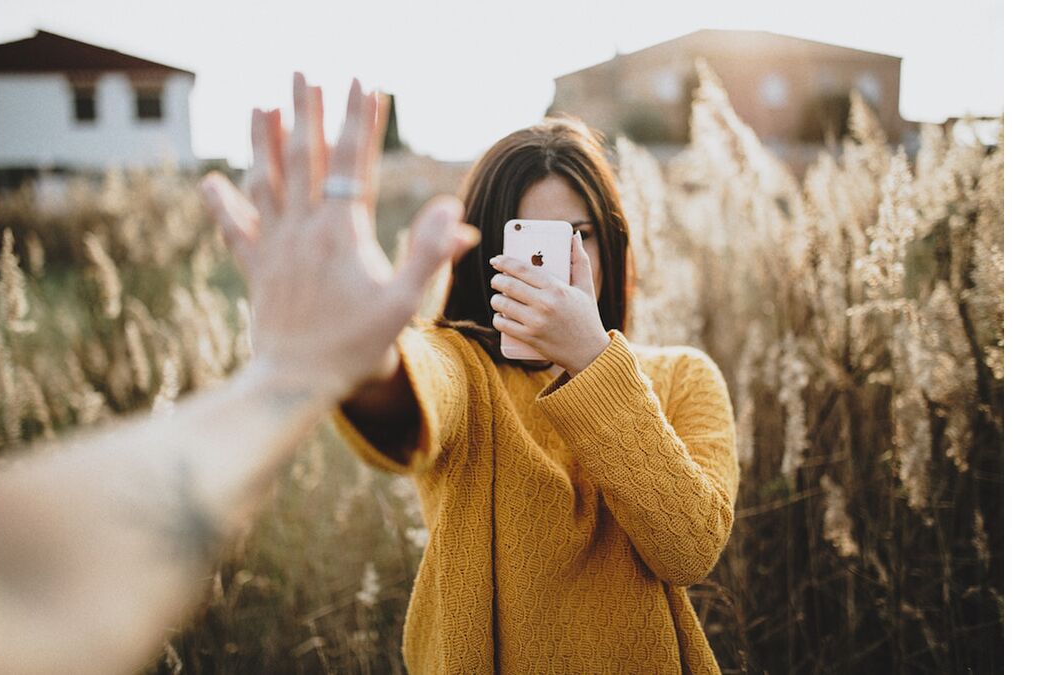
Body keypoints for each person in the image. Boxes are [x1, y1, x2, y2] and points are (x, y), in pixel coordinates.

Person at [227, 97, 741, 672]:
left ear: (612, 243)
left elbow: (690, 548)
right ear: (485, 255)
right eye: (531, 243)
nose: (558, 266)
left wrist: (592, 362)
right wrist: (369, 356)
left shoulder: (684, 377)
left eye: (582, 235)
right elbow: (414, 387)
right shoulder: (463, 366)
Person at [0, 73, 480, 675]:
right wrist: (299, 369)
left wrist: (295, 369)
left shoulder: (636, 371)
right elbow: (17, 585)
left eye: (582, 236)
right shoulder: (466, 363)